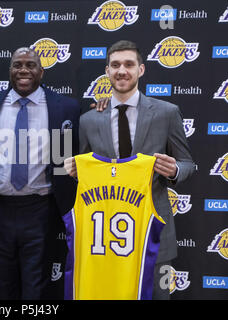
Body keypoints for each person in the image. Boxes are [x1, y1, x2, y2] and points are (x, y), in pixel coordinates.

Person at [64, 40, 196, 299]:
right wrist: (74, 170)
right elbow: (84, 165)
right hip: (106, 239)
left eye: (128, 64)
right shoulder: (89, 119)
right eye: (115, 65)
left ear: (141, 70)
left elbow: (188, 163)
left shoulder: (167, 113)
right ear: (107, 71)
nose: (121, 70)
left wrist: (175, 171)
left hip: (153, 231)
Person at [0, 47, 80, 300]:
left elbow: (79, 149)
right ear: (10, 71)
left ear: (41, 71)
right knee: (0, 286)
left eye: (30, 65)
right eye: (17, 65)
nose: (23, 70)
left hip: (41, 211)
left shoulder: (65, 108)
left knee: (37, 288)